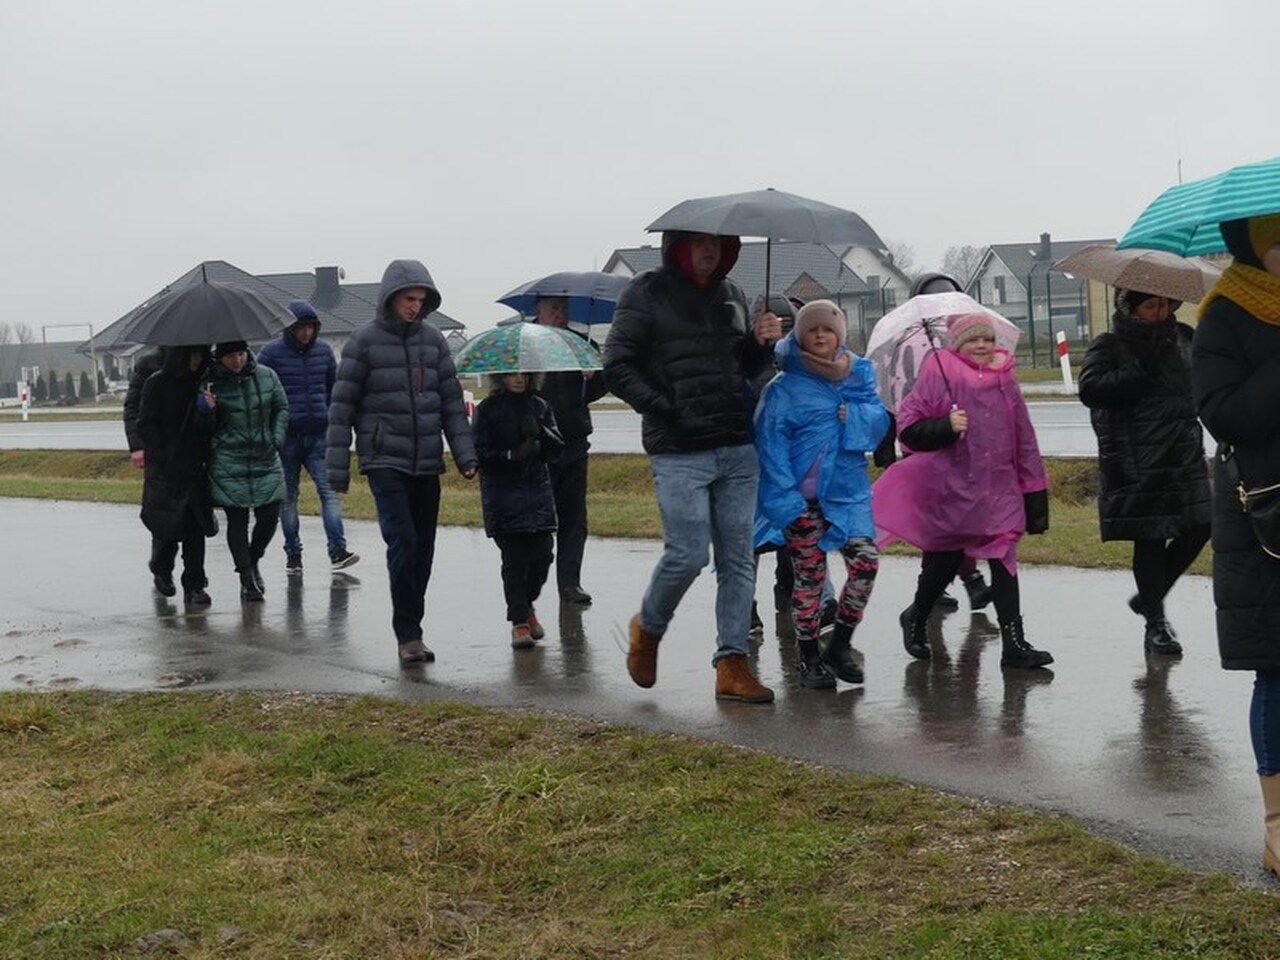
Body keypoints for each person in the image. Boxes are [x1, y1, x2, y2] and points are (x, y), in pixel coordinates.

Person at [604, 229, 781, 703]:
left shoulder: (733, 294)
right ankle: (648, 629)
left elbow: (741, 366)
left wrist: (760, 344)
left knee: (738, 561)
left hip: (737, 446)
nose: (709, 250)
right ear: (678, 246)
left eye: (718, 243)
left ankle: (732, 665)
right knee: (687, 555)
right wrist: (668, 408)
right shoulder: (645, 292)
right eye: (699, 242)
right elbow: (617, 366)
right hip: (679, 448)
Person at [873, 312, 1054, 670]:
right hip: (953, 486)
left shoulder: (1006, 377)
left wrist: (1033, 486)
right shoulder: (939, 371)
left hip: (1000, 486)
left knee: (1004, 556)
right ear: (957, 344)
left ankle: (1014, 644)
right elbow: (909, 427)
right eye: (973, 339)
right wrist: (945, 425)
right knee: (947, 557)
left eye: (988, 339)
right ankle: (917, 614)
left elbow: (1024, 433)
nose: (982, 345)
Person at [326, 258, 478, 666]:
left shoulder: (434, 341)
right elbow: (341, 409)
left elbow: (451, 404)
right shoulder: (362, 342)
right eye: (409, 298)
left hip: (426, 460)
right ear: (391, 297)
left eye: (421, 300)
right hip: (383, 460)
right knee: (404, 542)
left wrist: (466, 455)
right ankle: (407, 635)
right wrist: (337, 469)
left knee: (423, 549)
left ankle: (414, 625)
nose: (415, 306)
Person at [1189, 213, 1280, 876]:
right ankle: (1278, 823)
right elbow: (1226, 415)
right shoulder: (1225, 314)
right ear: (1256, 247)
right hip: (1267, 517)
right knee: (1277, 668)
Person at [754, 300, 889, 687]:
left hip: (847, 495)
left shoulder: (858, 376)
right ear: (799, 336)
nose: (819, 335)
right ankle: (809, 656)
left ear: (839, 335)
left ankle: (840, 644)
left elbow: (879, 421)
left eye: (827, 329)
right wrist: (787, 503)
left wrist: (856, 417)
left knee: (865, 563)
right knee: (810, 578)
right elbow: (770, 448)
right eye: (811, 329)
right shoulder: (782, 389)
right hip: (802, 503)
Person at [1079, 287, 1210, 656]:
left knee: (1204, 524)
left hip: (1183, 453)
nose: (1160, 311)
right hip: (1139, 458)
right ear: (1130, 308)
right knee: (1151, 538)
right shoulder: (1110, 344)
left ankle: (1150, 596)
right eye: (1151, 305)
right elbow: (1091, 390)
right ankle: (1156, 625)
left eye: (1166, 303)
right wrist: (1140, 367)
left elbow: (1205, 381)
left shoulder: (1184, 337)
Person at [880, 272, 993, 612]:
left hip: (938, 439)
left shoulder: (942, 341)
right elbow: (893, 395)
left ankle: (939, 585)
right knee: (948, 518)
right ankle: (964, 579)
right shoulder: (917, 344)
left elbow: (887, 397)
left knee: (944, 519)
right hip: (930, 440)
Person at [257, 299, 358, 574]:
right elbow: (261, 394)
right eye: (301, 327)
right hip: (286, 438)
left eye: (311, 327)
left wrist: (334, 420)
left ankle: (338, 550)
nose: (306, 332)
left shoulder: (324, 352)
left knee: (330, 493)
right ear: (290, 328)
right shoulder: (270, 354)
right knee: (288, 498)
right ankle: (293, 553)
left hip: (319, 435)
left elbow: (333, 390)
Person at [473, 370, 565, 648]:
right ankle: (519, 623)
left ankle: (526, 605)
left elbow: (556, 449)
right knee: (514, 562)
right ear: (500, 377)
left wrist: (541, 433)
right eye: (512, 374)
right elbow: (480, 452)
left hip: (537, 496)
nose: (519, 379)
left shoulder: (540, 406)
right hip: (503, 497)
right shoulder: (487, 410)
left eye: (524, 374)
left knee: (543, 557)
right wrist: (511, 455)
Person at [198, 340, 288, 602]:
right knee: (237, 520)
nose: (237, 361)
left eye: (240, 354)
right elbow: (202, 428)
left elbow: (281, 408)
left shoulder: (267, 376)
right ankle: (247, 578)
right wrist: (206, 411)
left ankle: (253, 559)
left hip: (264, 457)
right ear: (220, 358)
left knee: (269, 516)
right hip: (228, 459)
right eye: (230, 356)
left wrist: (276, 438)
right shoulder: (209, 382)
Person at [532, 295, 607, 604]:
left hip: (574, 441)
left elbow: (598, 389)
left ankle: (570, 583)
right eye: (554, 309)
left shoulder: (582, 344)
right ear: (538, 311)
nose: (560, 314)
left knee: (574, 518)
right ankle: (531, 581)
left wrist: (594, 375)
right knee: (538, 520)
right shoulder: (525, 344)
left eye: (564, 309)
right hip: (537, 445)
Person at [137, 345, 216, 606]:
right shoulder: (156, 383)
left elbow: (210, 428)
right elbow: (145, 423)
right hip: (166, 469)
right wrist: (161, 454)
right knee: (167, 528)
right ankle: (161, 568)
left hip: (194, 467)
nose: (197, 360)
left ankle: (195, 584)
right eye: (192, 354)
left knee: (195, 528)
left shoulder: (204, 384)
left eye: (201, 354)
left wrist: (208, 411)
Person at [123, 346, 172, 592]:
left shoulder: (201, 361)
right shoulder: (148, 364)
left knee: (193, 515)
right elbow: (132, 408)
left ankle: (195, 580)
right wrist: (137, 446)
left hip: (190, 449)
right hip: (157, 449)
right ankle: (162, 566)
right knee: (163, 511)